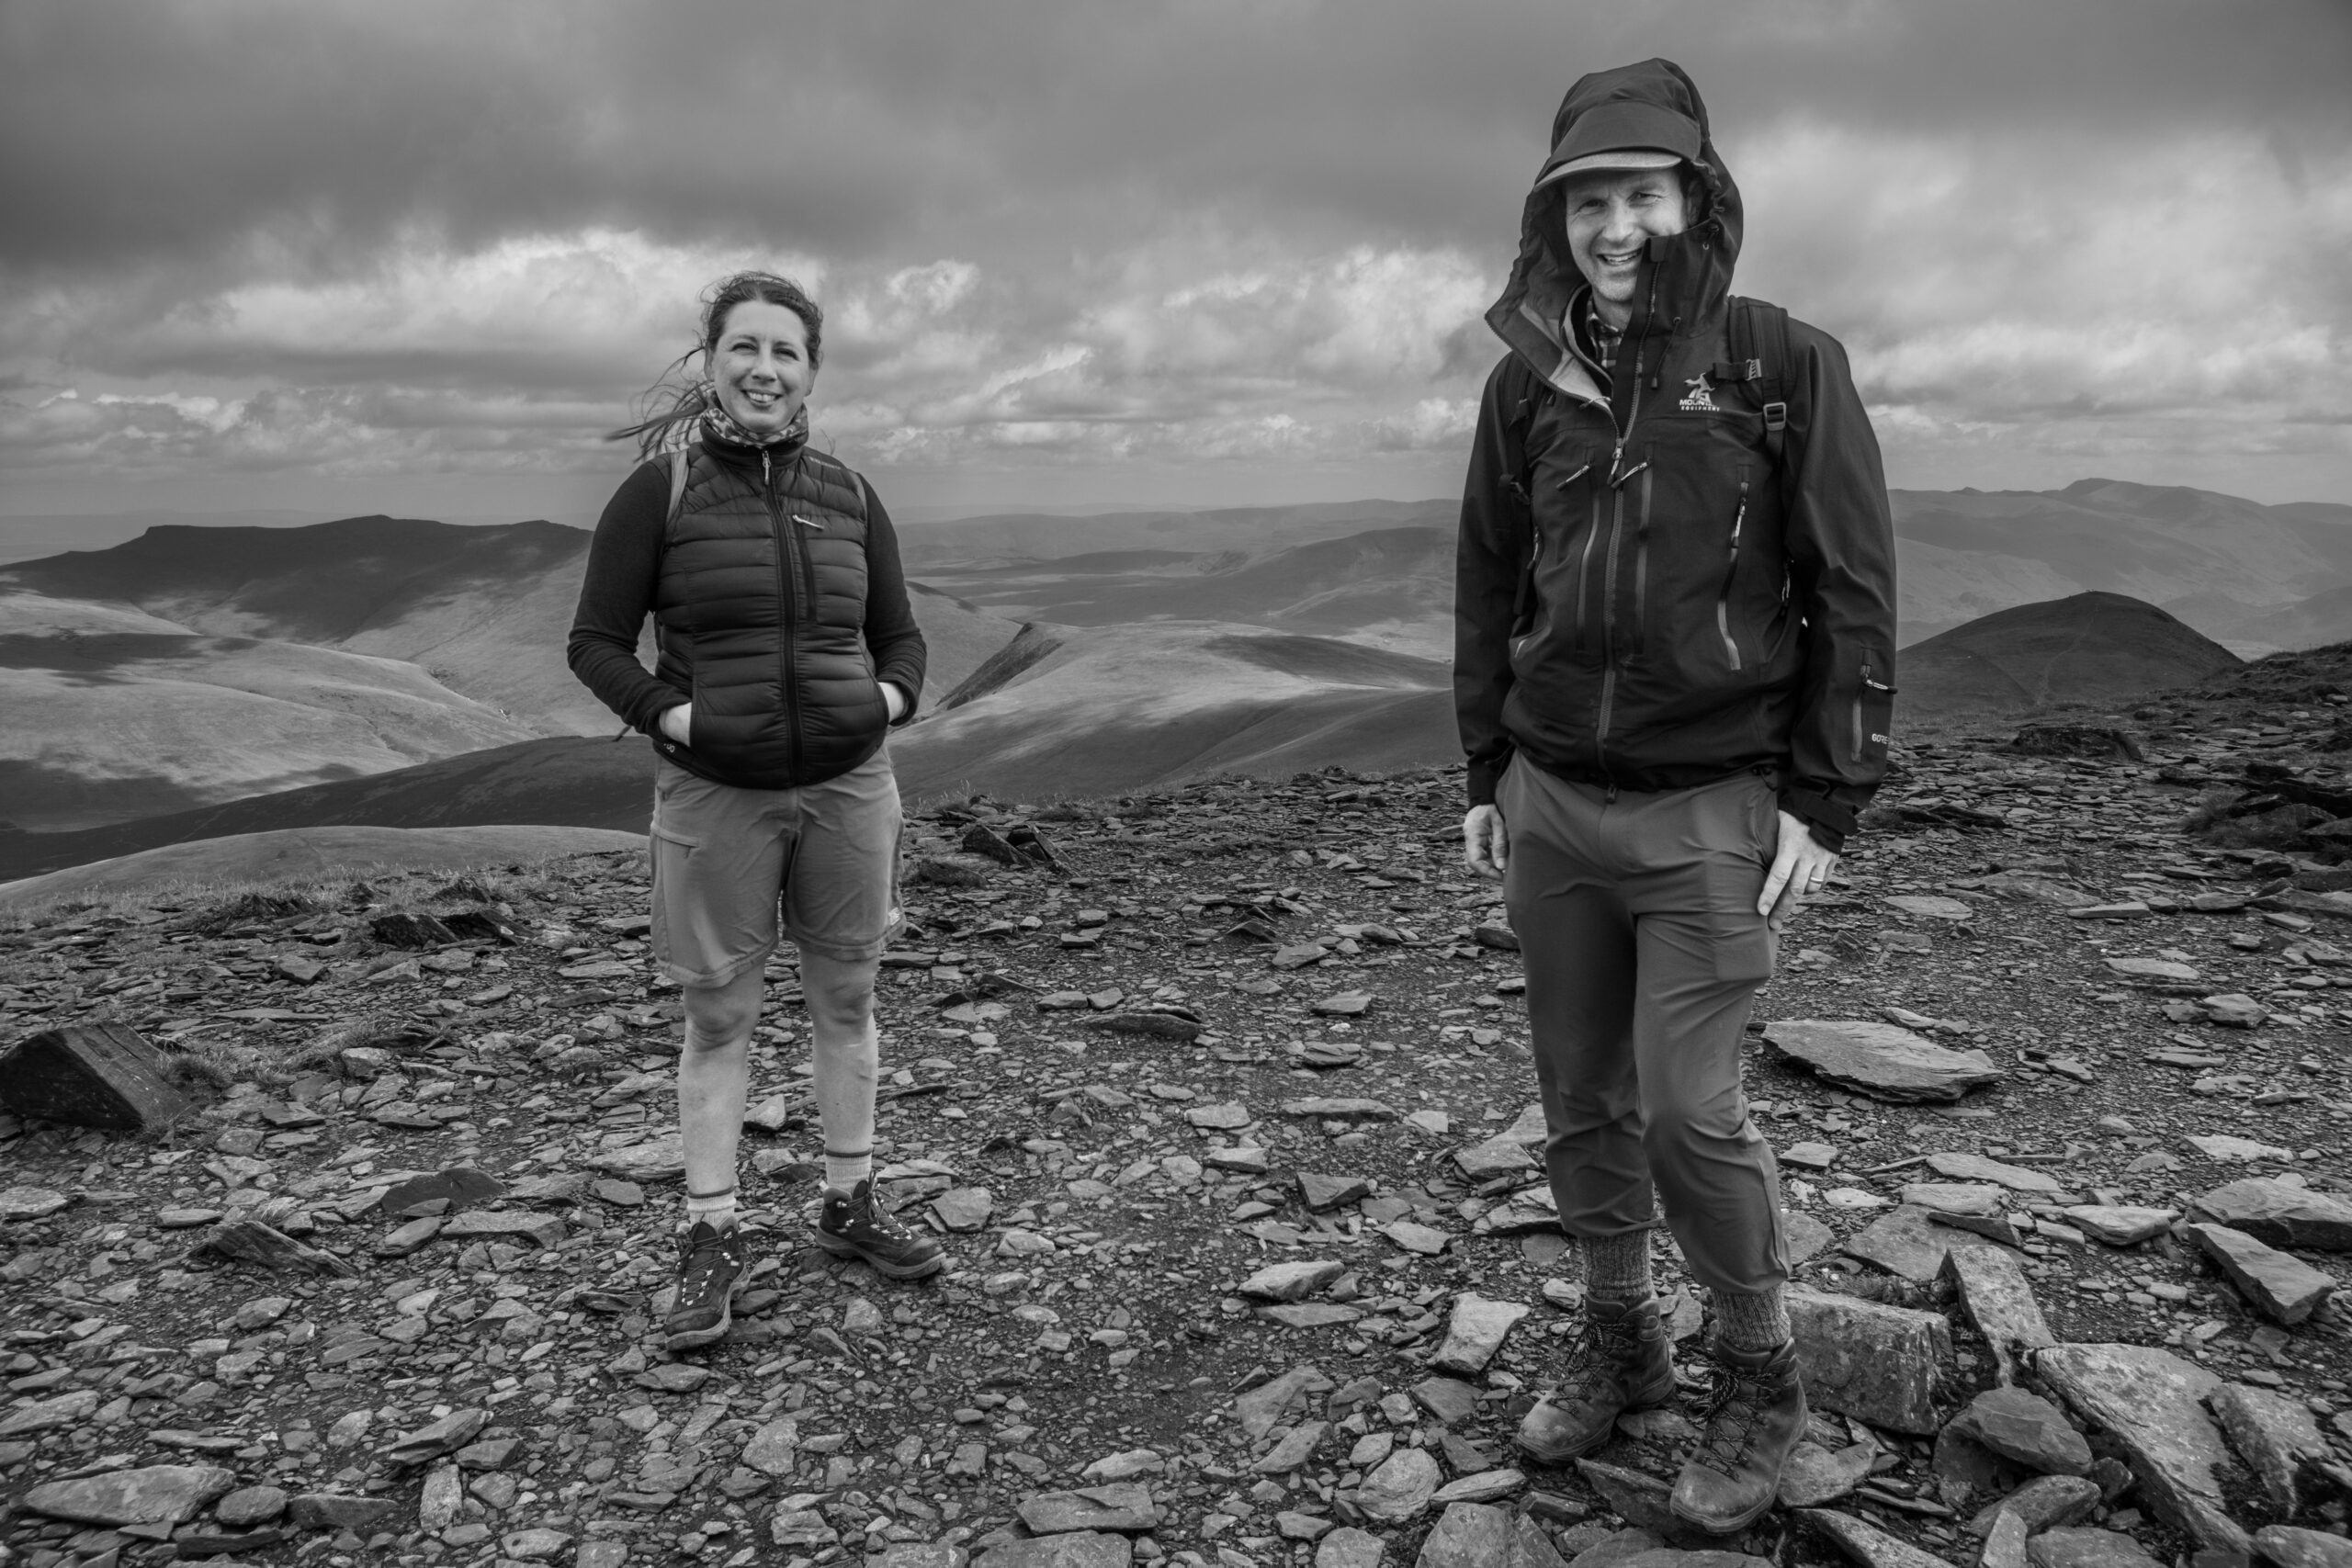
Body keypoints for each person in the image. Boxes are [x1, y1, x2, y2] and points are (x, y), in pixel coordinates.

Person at [1453, 60, 1897, 1532]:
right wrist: (1484, 768)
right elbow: (1487, 583)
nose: (1614, 224)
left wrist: (1825, 803)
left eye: (1641, 193)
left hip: (1713, 801)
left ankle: (1760, 1367)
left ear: (1697, 197)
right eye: (1588, 199)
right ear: (1553, 214)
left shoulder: (1781, 362)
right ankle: (1622, 1333)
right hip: (1553, 801)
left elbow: (1851, 586)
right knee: (1580, 1098)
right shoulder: (1528, 383)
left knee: (1691, 1115)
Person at [570, 270, 945, 1354]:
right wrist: (675, 721)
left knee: (847, 999)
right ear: (712, 362)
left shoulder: (850, 492)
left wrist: (885, 701)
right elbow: (595, 640)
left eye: (785, 352)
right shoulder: (664, 489)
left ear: (810, 372)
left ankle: (849, 1204)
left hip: (847, 788)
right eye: (745, 348)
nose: (764, 370)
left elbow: (902, 636)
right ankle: (711, 1229)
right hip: (715, 795)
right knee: (720, 1016)